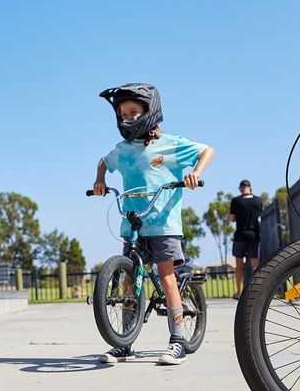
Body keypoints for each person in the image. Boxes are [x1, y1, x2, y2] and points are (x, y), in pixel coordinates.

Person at [92, 84, 215, 366]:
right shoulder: (123, 150)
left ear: (148, 112)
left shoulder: (170, 144)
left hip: (163, 223)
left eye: (134, 112)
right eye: (124, 113)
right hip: (133, 222)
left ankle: (178, 340)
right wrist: (100, 180)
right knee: (127, 280)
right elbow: (103, 161)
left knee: (166, 275)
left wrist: (195, 172)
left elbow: (208, 150)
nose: (129, 117)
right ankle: (124, 343)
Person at [227, 180, 261, 300]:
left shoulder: (236, 201)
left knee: (239, 265)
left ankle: (238, 292)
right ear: (250, 188)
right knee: (254, 265)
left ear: (241, 189)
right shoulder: (258, 200)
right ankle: (255, 291)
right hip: (254, 235)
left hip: (240, 235)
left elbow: (231, 218)